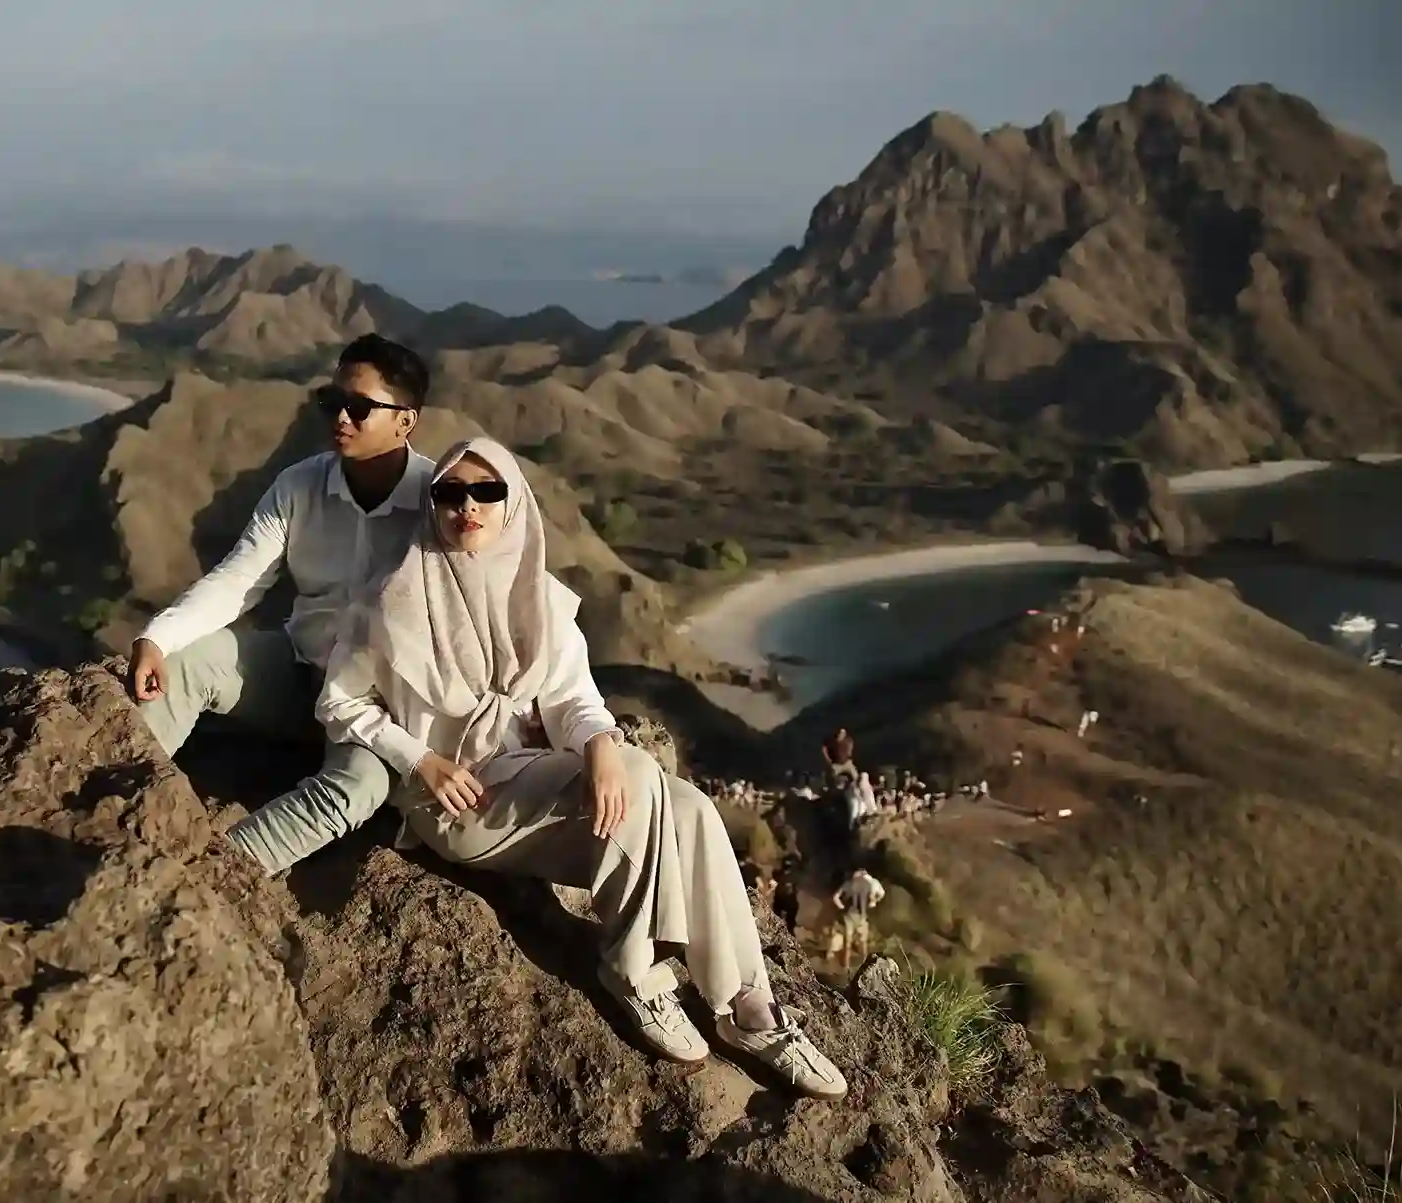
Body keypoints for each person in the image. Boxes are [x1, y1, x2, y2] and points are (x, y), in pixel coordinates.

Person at [314, 435, 847, 1099]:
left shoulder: (533, 595)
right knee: (646, 782)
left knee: (691, 810)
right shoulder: (389, 597)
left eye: (486, 492)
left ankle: (749, 1008)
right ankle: (634, 973)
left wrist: (598, 744)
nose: (466, 507)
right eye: (450, 492)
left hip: (531, 775)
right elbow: (338, 702)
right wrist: (418, 758)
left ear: (513, 504)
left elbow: (572, 697)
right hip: (457, 804)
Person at [127, 334, 436, 874]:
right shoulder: (299, 486)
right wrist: (158, 636)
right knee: (183, 664)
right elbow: (238, 581)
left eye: (359, 407)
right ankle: (118, 806)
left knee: (361, 785)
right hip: (297, 673)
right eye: (331, 401)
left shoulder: (440, 502)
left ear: (405, 421)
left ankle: (217, 875)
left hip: (378, 710)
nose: (340, 416)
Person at [831, 868, 886, 969]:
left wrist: (842, 907)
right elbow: (877, 896)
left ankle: (845, 967)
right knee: (863, 943)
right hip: (862, 917)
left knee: (847, 942)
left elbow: (835, 897)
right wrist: (873, 902)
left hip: (849, 916)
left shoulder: (849, 884)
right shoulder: (870, 884)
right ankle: (865, 967)